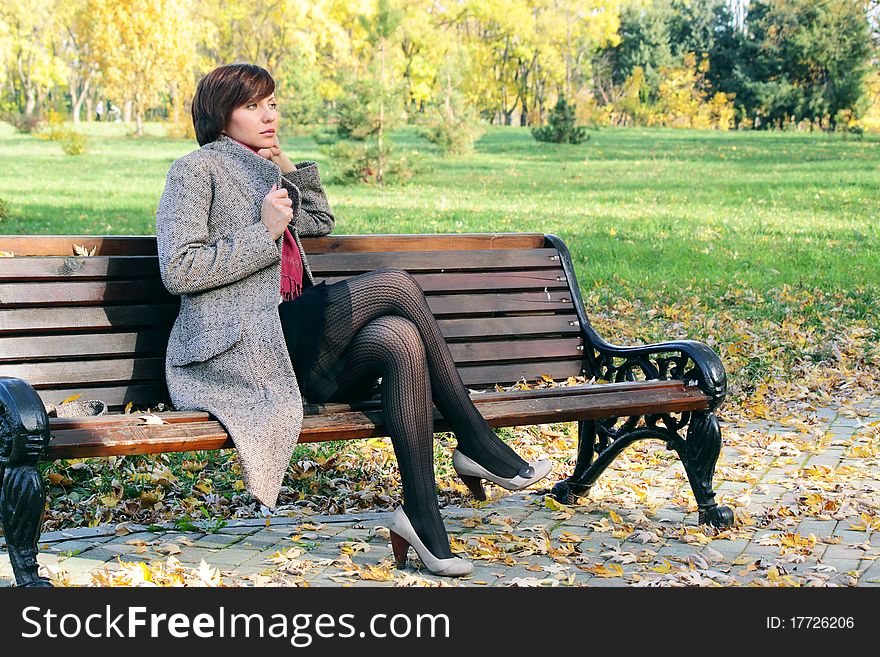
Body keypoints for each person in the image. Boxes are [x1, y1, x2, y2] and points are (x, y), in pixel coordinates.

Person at [155, 63, 551, 577]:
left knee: (400, 339)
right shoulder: (196, 170)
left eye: (271, 103)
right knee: (396, 284)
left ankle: (423, 521)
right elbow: (178, 269)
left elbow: (318, 222)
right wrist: (264, 233)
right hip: (245, 346)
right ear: (219, 114)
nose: (268, 115)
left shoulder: (265, 168)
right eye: (252, 106)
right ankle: (475, 440)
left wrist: (290, 169)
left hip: (291, 346)